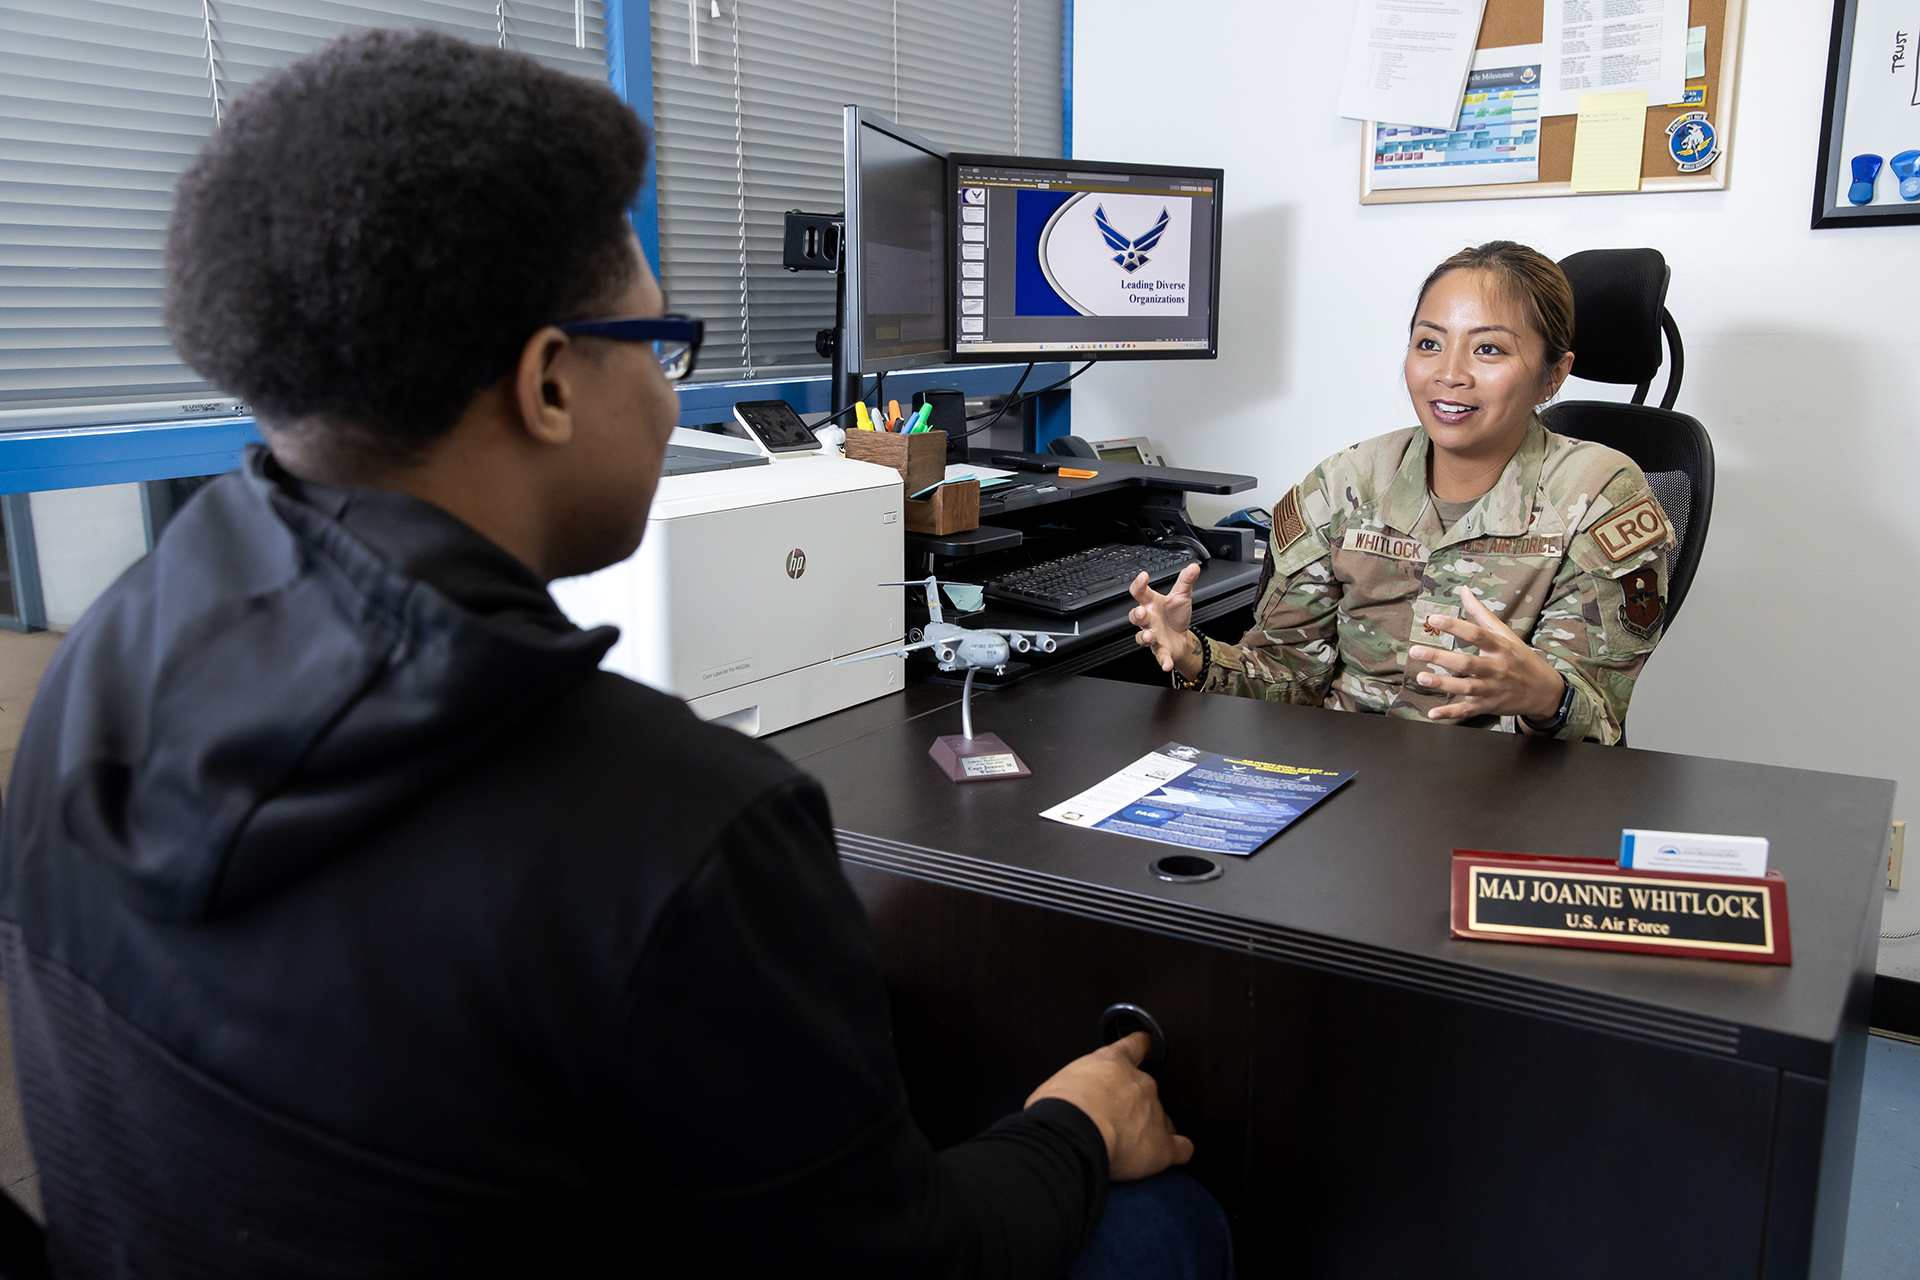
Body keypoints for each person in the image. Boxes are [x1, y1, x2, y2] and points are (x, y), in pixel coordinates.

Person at [0, 30, 1230, 1278]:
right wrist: (1075, 1125)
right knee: (1167, 1222)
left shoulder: (98, 658)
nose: (667, 394)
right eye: (663, 347)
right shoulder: (678, 823)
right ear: (547, 386)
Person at [1129, 241, 1671, 745]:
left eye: (1488, 349)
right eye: (1429, 344)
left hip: (1499, 795)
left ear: (1554, 376)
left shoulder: (1598, 495)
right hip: (1339, 784)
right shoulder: (1344, 484)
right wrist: (1194, 653)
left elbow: (1597, 724)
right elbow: (1289, 679)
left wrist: (1546, 697)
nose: (1449, 374)